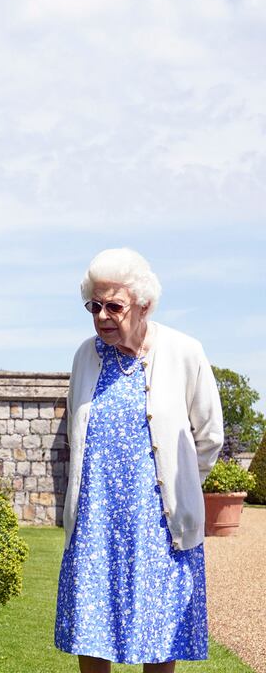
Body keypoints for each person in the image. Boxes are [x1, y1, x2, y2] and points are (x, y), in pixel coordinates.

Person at [55, 248, 223, 673]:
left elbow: (210, 437)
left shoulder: (184, 352)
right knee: (91, 628)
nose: (102, 316)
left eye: (114, 306)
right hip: (97, 518)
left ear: (144, 305)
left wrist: (179, 482)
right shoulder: (85, 356)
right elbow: (77, 435)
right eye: (94, 306)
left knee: (161, 628)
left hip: (159, 522)